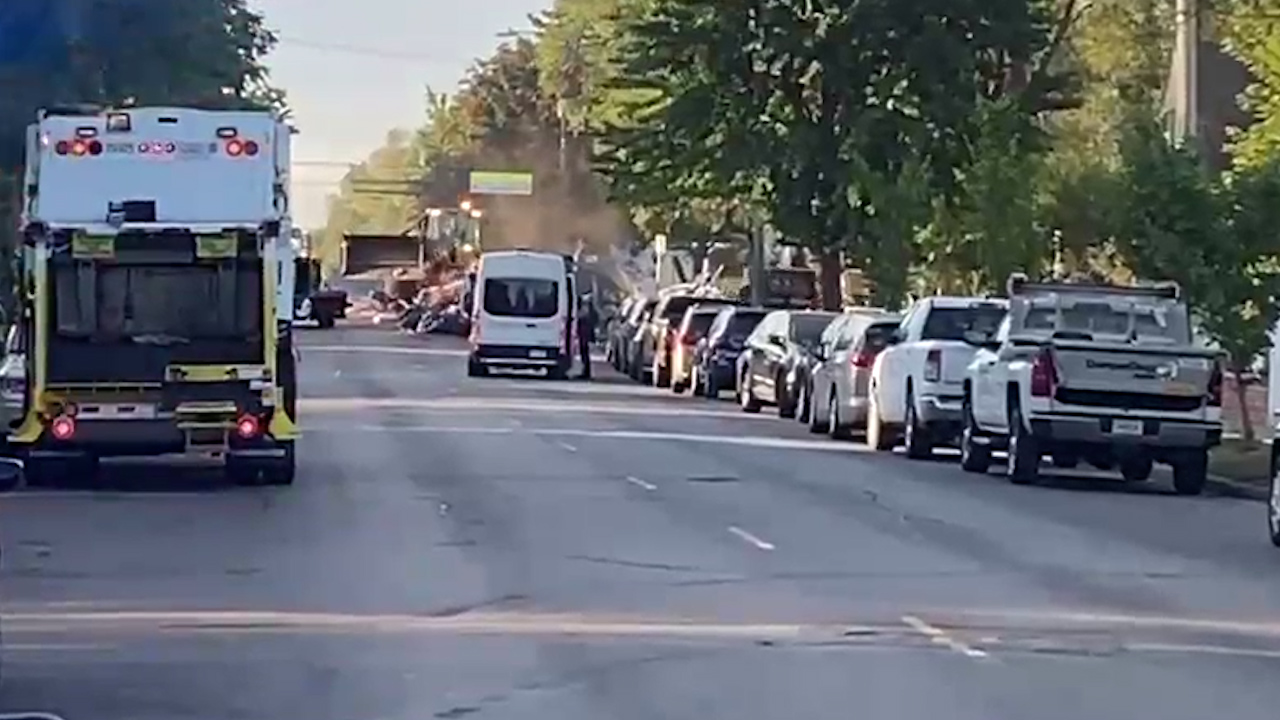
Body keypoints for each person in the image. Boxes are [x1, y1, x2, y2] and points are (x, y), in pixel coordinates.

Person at [576, 293, 598, 380]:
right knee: (584, 353)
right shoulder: (587, 310)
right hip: (585, 334)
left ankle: (586, 372)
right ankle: (585, 371)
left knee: (584, 353)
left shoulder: (584, 311)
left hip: (584, 335)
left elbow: (584, 320)